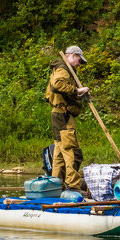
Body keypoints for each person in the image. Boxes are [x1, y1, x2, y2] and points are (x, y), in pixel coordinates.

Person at [45, 45, 92, 197]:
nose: (79, 64)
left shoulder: (61, 68)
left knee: (59, 151)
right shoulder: (63, 68)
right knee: (72, 150)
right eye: (79, 60)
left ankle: (55, 184)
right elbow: (57, 85)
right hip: (63, 115)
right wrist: (77, 91)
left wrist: (79, 95)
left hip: (58, 114)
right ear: (72, 55)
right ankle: (72, 185)